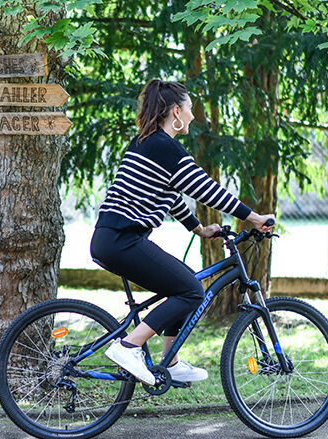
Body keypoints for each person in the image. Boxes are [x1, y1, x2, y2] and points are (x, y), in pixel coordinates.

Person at [90, 79, 275, 386]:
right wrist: (254, 217)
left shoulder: (145, 142)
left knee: (184, 283)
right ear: (176, 111)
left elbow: (172, 195)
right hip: (122, 239)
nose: (192, 115)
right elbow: (206, 190)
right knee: (192, 290)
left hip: (113, 238)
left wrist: (200, 229)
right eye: (190, 109)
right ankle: (128, 346)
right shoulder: (165, 147)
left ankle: (171, 363)